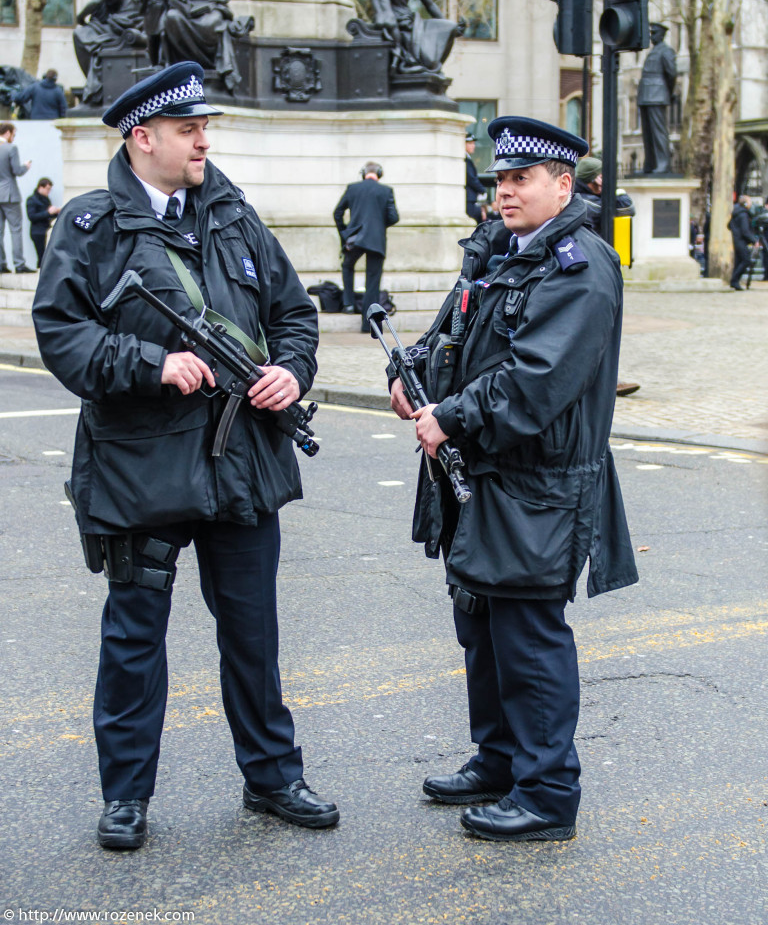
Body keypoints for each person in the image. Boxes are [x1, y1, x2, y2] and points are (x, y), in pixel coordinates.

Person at [31, 62, 339, 851]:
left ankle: (273, 777)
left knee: (253, 633)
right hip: (141, 464)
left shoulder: (234, 216)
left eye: (205, 128)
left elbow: (295, 315)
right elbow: (62, 336)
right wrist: (149, 363)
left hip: (243, 460)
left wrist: (289, 371)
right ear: (144, 139)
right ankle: (126, 795)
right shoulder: (91, 227)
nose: (204, 140)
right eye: (187, 129)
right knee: (134, 640)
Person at [389, 116, 638, 842]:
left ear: (563, 185)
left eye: (520, 179)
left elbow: (535, 383)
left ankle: (548, 792)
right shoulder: (498, 252)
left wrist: (451, 415)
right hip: (484, 473)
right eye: (499, 179)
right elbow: (449, 340)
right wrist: (411, 384)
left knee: (528, 636)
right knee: (482, 625)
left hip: (540, 484)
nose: (504, 191)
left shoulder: (580, 267)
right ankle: (499, 759)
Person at [573, 156, 639, 397]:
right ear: (594, 180)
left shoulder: (589, 198)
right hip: (589, 274)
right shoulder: (588, 202)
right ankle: (599, 381)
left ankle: (603, 379)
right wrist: (614, 188)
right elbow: (626, 206)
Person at [333, 161, 399, 332]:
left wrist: (344, 232)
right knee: (372, 283)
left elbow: (337, 213)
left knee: (347, 266)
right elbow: (393, 217)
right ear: (379, 173)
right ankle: (369, 325)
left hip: (355, 238)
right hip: (376, 240)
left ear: (364, 173)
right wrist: (378, 224)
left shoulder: (352, 188)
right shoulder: (386, 191)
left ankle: (348, 303)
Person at [637, 23, 677, 175]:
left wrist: (668, 92)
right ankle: (650, 164)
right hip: (646, 94)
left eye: (655, 33)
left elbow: (671, 74)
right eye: (651, 33)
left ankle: (663, 164)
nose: (652, 36)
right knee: (647, 133)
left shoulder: (666, 51)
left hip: (657, 95)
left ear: (662, 35)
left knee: (659, 132)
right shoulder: (653, 51)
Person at [0, 121, 33, 273]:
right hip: (9, 194)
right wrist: (26, 166)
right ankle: (19, 264)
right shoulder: (11, 148)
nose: (13, 137)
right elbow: (17, 171)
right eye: (13, 134)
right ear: (7, 132)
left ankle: (1, 264)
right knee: (16, 230)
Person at [25, 177, 60, 267]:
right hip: (37, 231)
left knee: (47, 256)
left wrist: (56, 212)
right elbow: (32, 216)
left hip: (46, 229)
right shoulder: (32, 200)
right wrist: (48, 212)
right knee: (42, 256)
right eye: (47, 189)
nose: (48, 191)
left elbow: (48, 215)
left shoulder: (46, 199)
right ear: (41, 187)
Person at [728, 194, 755, 290]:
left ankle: (734, 281)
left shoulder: (736, 213)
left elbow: (729, 225)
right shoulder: (743, 215)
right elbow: (745, 231)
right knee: (746, 260)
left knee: (739, 261)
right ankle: (734, 280)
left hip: (736, 239)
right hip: (741, 241)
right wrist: (753, 240)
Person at [465, 132, 487, 225]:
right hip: (468, 198)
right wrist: (483, 190)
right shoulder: (465, 159)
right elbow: (471, 178)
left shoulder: (467, 158)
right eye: (470, 143)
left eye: (473, 143)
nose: (473, 146)